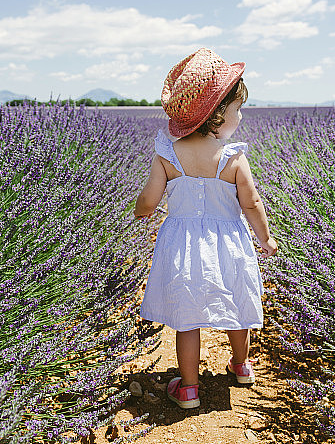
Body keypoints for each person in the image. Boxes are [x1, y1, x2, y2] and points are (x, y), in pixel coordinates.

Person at [134, 47, 278, 409]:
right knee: (235, 306)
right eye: (236, 110)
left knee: (187, 317)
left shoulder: (167, 153)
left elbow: (148, 201)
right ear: (217, 117)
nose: (240, 116)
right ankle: (242, 365)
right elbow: (252, 203)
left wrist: (141, 211)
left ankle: (189, 389)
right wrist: (266, 238)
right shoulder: (232, 157)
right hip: (228, 242)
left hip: (182, 245)